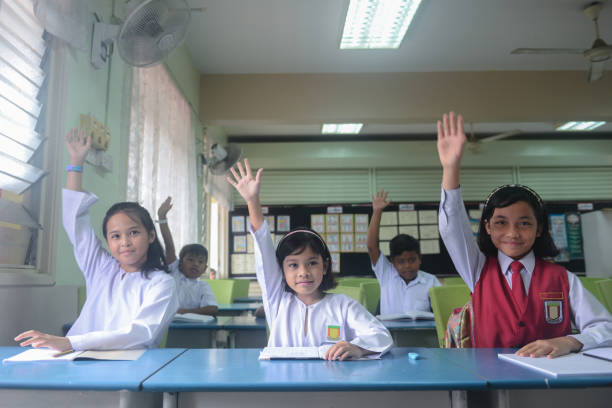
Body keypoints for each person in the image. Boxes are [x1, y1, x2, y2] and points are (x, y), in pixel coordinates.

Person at [436, 111, 612, 358]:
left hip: (549, 382)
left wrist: (570, 341)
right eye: (500, 223)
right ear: (487, 227)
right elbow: (451, 227)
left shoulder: (563, 279)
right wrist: (451, 168)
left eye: (524, 223)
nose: (512, 233)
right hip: (488, 381)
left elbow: (606, 328)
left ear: (539, 228)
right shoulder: (477, 269)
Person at [15, 128, 179, 352]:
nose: (125, 242)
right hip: (76, 358)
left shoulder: (161, 283)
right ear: (108, 242)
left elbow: (141, 333)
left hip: (127, 368)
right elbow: (75, 221)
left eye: (133, 232)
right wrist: (76, 163)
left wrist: (71, 342)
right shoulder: (101, 268)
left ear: (151, 235)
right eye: (115, 236)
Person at [227, 159, 393, 360]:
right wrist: (252, 201)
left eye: (312, 263)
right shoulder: (277, 301)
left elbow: (381, 335)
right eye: (293, 265)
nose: (303, 272)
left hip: (331, 385)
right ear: (282, 270)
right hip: (283, 386)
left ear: (325, 266)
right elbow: (263, 247)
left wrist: (357, 347)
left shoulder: (343, 306)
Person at [367, 189, 441, 314]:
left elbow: (441, 312)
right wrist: (377, 212)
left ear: (420, 258)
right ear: (393, 262)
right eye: (401, 262)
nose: (407, 265)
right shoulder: (386, 273)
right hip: (390, 333)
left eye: (412, 260)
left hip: (422, 334)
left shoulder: (431, 281)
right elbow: (371, 247)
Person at [157, 197, 218, 316]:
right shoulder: (174, 272)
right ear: (180, 263)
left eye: (200, 262)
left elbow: (212, 309)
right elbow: (169, 245)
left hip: (191, 328)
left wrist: (183, 312)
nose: (195, 264)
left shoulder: (202, 286)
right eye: (190, 260)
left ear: (204, 269)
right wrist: (162, 217)